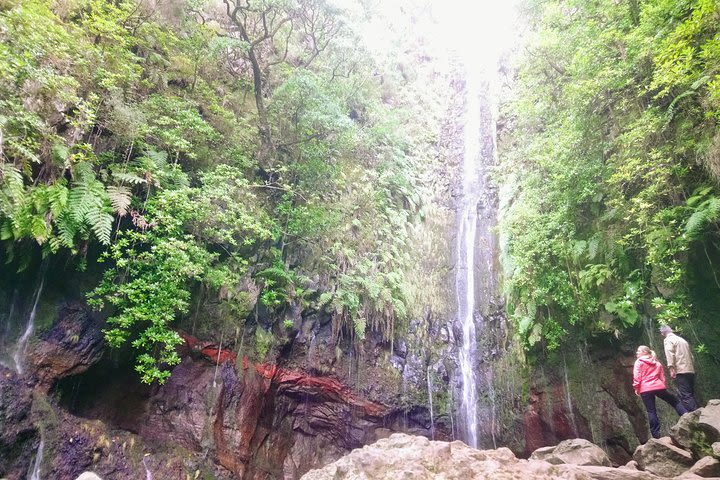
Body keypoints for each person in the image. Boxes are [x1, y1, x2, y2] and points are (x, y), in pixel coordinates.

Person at [633, 345, 687, 439]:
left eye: (638, 351)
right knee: (675, 401)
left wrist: (636, 388)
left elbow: (637, 377)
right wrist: (662, 386)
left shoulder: (639, 362)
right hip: (658, 386)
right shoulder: (657, 362)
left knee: (651, 411)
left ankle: (656, 435)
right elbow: (662, 377)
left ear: (645, 352)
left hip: (645, 388)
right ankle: (686, 416)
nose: (636, 353)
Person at [660, 325, 699, 411]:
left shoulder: (668, 340)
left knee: (686, 394)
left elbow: (670, 354)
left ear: (662, 333)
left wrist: (671, 368)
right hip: (690, 369)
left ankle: (695, 416)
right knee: (690, 393)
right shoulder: (682, 340)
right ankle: (696, 413)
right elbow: (691, 356)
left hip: (681, 370)